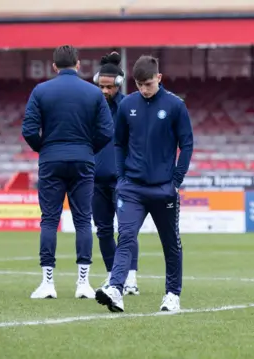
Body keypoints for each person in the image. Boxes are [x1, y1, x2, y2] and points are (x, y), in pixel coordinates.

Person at [95, 55, 194, 313]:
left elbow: (187, 144)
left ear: (159, 78)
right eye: (139, 84)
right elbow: (119, 143)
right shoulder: (128, 105)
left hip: (164, 189)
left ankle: (172, 294)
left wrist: (176, 180)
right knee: (125, 236)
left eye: (148, 84)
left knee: (170, 243)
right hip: (132, 188)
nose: (144, 89)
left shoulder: (175, 106)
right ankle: (116, 288)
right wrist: (122, 176)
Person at [22, 45, 114, 299]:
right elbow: (107, 131)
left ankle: (47, 283)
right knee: (83, 220)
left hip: (51, 160)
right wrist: (87, 149)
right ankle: (83, 283)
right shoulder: (93, 93)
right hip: (83, 160)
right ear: (78, 64)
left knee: (49, 220)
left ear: (54, 66)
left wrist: (45, 149)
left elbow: (29, 130)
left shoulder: (40, 91)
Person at [91, 51, 140, 295]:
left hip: (124, 180)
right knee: (103, 230)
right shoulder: (92, 108)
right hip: (96, 180)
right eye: (101, 86)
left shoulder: (129, 108)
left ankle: (131, 278)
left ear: (118, 85)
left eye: (108, 87)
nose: (104, 91)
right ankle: (113, 277)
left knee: (127, 229)